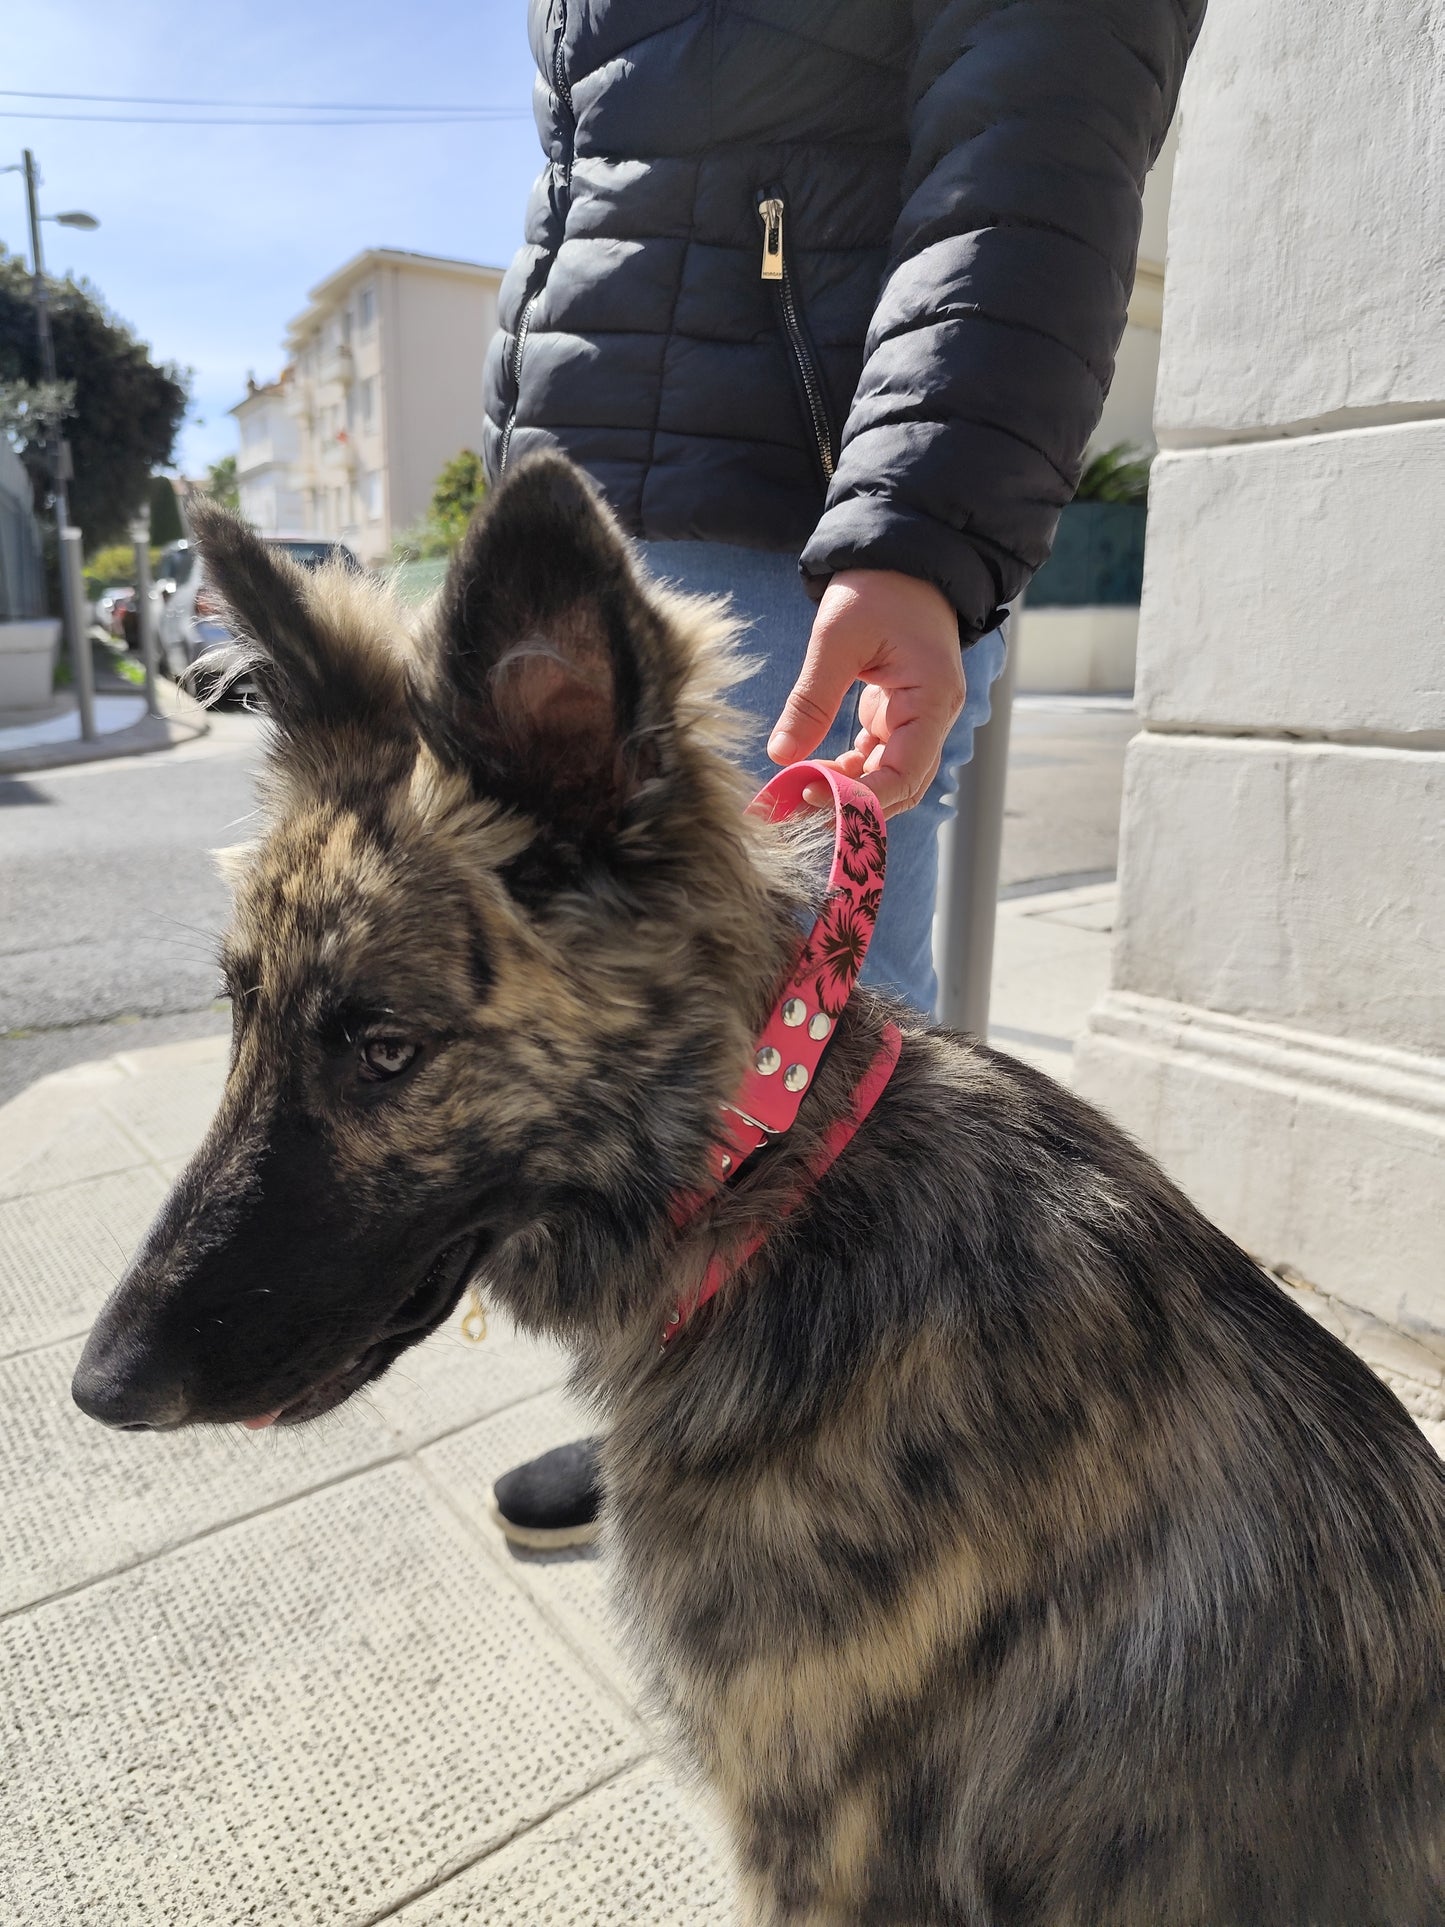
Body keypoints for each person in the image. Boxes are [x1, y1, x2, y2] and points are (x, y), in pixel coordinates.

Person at [485, 0, 1205, 1546]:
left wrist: (913, 524)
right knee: (665, 1068)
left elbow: (1047, 87)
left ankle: (875, 1470)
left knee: (833, 1078)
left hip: (789, 532)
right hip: (626, 518)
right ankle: (701, 1425)